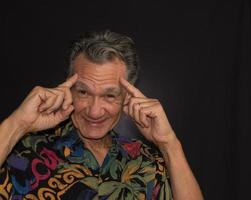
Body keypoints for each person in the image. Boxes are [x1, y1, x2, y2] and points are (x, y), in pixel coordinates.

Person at [0, 30, 203, 199]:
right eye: (83, 92)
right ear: (67, 89)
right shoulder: (21, 151)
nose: (94, 111)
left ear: (127, 96)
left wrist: (169, 144)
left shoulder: (147, 162)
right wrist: (18, 123)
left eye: (110, 95)